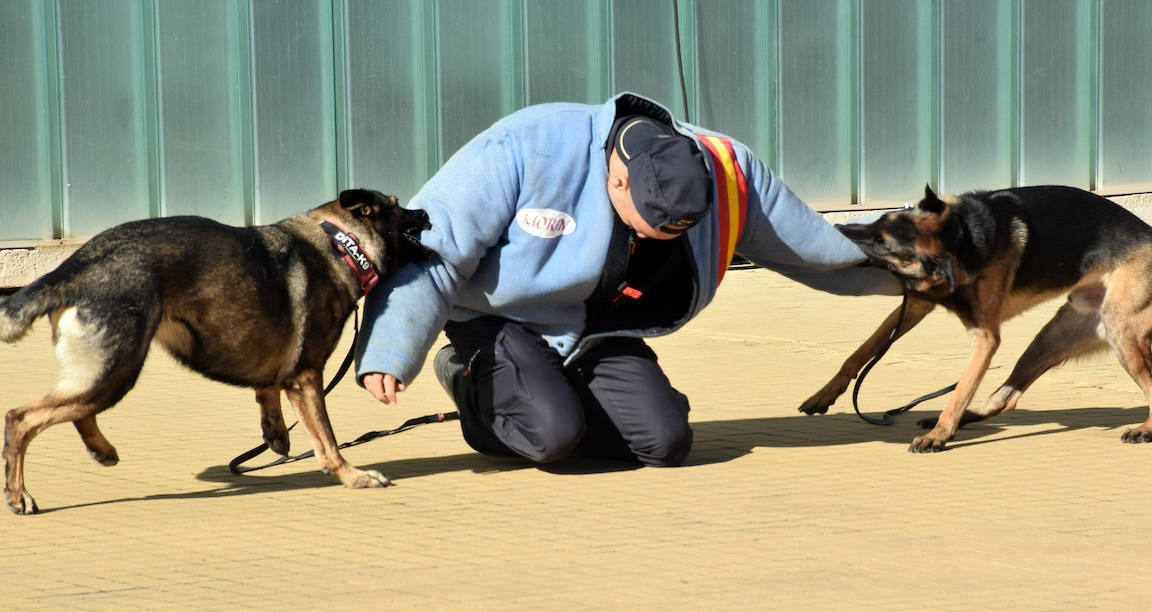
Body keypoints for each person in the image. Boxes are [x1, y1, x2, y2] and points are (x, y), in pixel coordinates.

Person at [354, 92, 894, 467]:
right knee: (550, 436)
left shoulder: (727, 167)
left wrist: (923, 273)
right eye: (648, 227)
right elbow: (430, 250)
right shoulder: (526, 147)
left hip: (598, 328)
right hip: (497, 318)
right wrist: (391, 350)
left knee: (666, 443)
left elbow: (809, 246)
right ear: (615, 177)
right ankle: (471, 383)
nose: (658, 242)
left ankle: (546, 393)